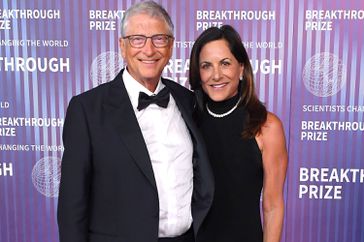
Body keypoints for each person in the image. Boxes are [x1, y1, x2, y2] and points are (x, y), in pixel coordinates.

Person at [57, 1, 214, 242]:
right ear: (122, 46)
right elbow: (72, 206)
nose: (149, 50)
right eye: (137, 39)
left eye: (159, 39)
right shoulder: (87, 110)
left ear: (171, 46)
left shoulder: (188, 100)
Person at [189, 25, 288, 242]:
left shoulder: (266, 126)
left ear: (241, 68)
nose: (216, 75)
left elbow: (272, 206)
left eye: (225, 63)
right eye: (206, 66)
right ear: (199, 72)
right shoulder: (186, 121)